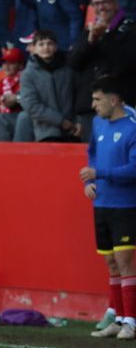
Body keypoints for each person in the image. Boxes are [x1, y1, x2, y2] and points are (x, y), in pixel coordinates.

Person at [81, 76, 136, 340]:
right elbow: (91, 152)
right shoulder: (98, 122)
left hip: (125, 205)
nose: (93, 105)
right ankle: (117, 316)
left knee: (126, 263)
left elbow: (135, 168)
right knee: (111, 262)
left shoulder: (133, 125)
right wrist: (90, 181)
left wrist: (98, 172)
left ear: (113, 100)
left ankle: (132, 322)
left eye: (97, 99)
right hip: (101, 202)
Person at [69, 0, 136, 141]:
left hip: (120, 105)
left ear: (116, 4)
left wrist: (105, 36)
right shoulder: (87, 33)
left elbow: (127, 62)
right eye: (96, 3)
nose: (101, 7)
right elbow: (73, 63)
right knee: (91, 156)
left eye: (105, 2)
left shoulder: (130, 30)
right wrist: (91, 40)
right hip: (91, 106)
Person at [19, 30, 81, 142]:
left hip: (72, 131)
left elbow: (78, 96)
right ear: (34, 48)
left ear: (56, 47)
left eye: (50, 43)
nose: (46, 47)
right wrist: (60, 121)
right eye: (41, 44)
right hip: (46, 133)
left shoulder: (68, 70)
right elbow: (31, 105)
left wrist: (79, 121)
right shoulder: (28, 74)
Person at [0, 48, 27, 141]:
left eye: (12, 63)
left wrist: (15, 100)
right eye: (4, 63)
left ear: (21, 66)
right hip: (4, 119)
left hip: (20, 119)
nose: (7, 66)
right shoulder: (2, 82)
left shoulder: (25, 80)